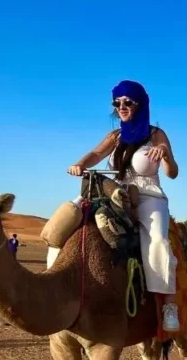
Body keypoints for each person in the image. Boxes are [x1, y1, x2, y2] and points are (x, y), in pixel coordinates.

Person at [66, 80, 180, 332]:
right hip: (114, 192)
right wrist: (80, 163)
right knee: (69, 216)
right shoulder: (115, 136)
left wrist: (165, 154)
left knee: (158, 241)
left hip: (148, 196)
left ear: (140, 104)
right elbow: (95, 154)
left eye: (128, 102)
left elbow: (172, 173)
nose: (122, 107)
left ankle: (168, 304)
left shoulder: (155, 135)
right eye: (117, 103)